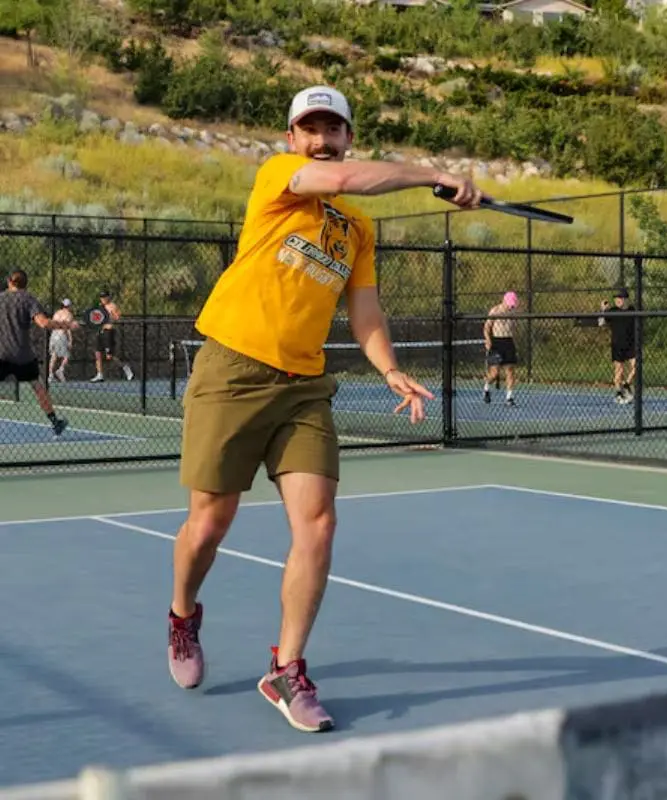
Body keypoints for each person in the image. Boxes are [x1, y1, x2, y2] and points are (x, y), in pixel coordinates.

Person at [165, 84, 482, 733]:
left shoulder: (355, 232)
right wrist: (433, 175)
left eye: (331, 127)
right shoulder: (280, 178)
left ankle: (286, 669)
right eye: (309, 128)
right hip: (232, 368)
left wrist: (391, 368)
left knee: (318, 523)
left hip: (303, 386)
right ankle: (183, 616)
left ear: (347, 135)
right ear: (291, 139)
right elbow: (346, 179)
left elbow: (364, 310)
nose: (320, 137)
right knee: (209, 523)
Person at [0, 270, 78, 435]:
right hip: (23, 355)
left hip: (2, 353)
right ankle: (55, 421)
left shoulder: (1, 299)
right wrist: (66, 325)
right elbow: (43, 323)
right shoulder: (29, 299)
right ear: (25, 283)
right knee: (38, 386)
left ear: (9, 282)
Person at [598, 287, 636, 404]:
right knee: (619, 370)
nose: (617, 300)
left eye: (619, 298)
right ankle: (618, 393)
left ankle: (627, 385)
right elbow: (601, 323)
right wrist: (603, 310)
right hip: (617, 344)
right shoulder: (612, 311)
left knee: (637, 366)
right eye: (616, 298)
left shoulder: (632, 310)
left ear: (625, 299)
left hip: (631, 344)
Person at [482, 290, 520, 406]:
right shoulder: (495, 311)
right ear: (504, 301)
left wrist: (515, 343)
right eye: (509, 304)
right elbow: (487, 328)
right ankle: (487, 387)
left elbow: (515, 329)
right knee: (494, 373)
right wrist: (488, 340)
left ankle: (509, 397)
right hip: (497, 343)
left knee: (510, 371)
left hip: (508, 342)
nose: (511, 307)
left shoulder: (513, 313)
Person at [90, 290, 134, 383]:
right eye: (102, 297)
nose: (103, 299)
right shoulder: (99, 307)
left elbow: (118, 318)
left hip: (109, 331)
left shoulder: (112, 306)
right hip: (100, 331)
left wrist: (110, 316)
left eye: (105, 297)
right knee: (97, 353)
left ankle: (125, 367)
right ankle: (100, 374)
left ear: (108, 297)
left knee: (109, 356)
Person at [48, 298, 74, 382]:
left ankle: (50, 375)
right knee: (67, 355)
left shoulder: (57, 313)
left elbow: (52, 323)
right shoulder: (69, 314)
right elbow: (67, 328)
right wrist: (70, 340)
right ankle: (60, 370)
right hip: (62, 334)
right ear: (69, 306)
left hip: (54, 334)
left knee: (54, 355)